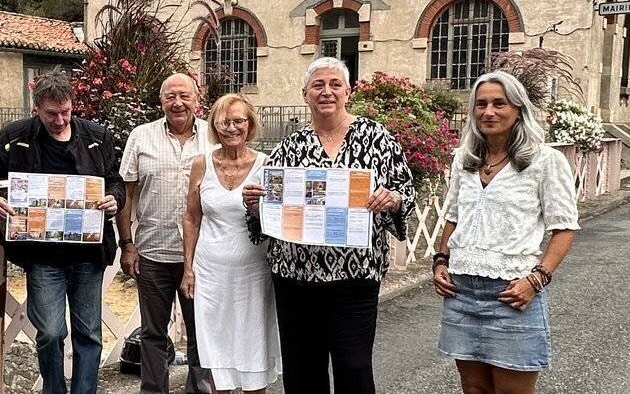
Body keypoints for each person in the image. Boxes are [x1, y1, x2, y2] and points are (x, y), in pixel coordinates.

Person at [241, 57, 416, 394]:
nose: (327, 92)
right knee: (303, 369)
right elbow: (265, 219)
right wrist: (255, 205)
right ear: (306, 94)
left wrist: (392, 199)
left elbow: (405, 191)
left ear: (348, 92)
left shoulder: (377, 138)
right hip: (296, 279)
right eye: (318, 85)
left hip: (355, 278)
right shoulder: (287, 149)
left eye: (335, 84)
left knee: (354, 367)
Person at [0, 69, 124, 394]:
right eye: (51, 114)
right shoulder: (16, 136)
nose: (59, 120)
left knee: (89, 334)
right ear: (36, 109)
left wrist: (115, 198)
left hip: (88, 256)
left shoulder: (96, 136)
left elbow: (115, 180)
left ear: (74, 105)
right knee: (50, 333)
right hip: (43, 257)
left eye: (65, 112)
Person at [432, 71, 578, 394]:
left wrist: (536, 279)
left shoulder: (544, 161)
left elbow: (565, 228)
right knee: (474, 389)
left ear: (518, 110)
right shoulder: (464, 160)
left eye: (499, 103)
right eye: (481, 104)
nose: (489, 111)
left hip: (512, 296)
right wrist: (440, 260)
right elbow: (453, 216)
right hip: (461, 293)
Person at [117, 73, 213, 394]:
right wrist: (127, 245)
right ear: (161, 101)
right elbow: (127, 195)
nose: (178, 103)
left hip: (199, 259)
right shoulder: (141, 137)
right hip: (153, 254)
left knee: (201, 333)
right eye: (170, 96)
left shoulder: (212, 139)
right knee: (153, 334)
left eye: (184, 96)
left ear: (197, 99)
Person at [181, 94, 280, 393]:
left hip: (254, 274)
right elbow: (191, 218)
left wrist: (257, 209)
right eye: (224, 122)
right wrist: (188, 268)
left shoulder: (267, 164)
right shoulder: (202, 164)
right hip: (211, 272)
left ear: (250, 125)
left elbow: (278, 220)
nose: (232, 127)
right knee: (217, 349)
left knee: (254, 346)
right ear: (214, 126)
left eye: (238, 120)